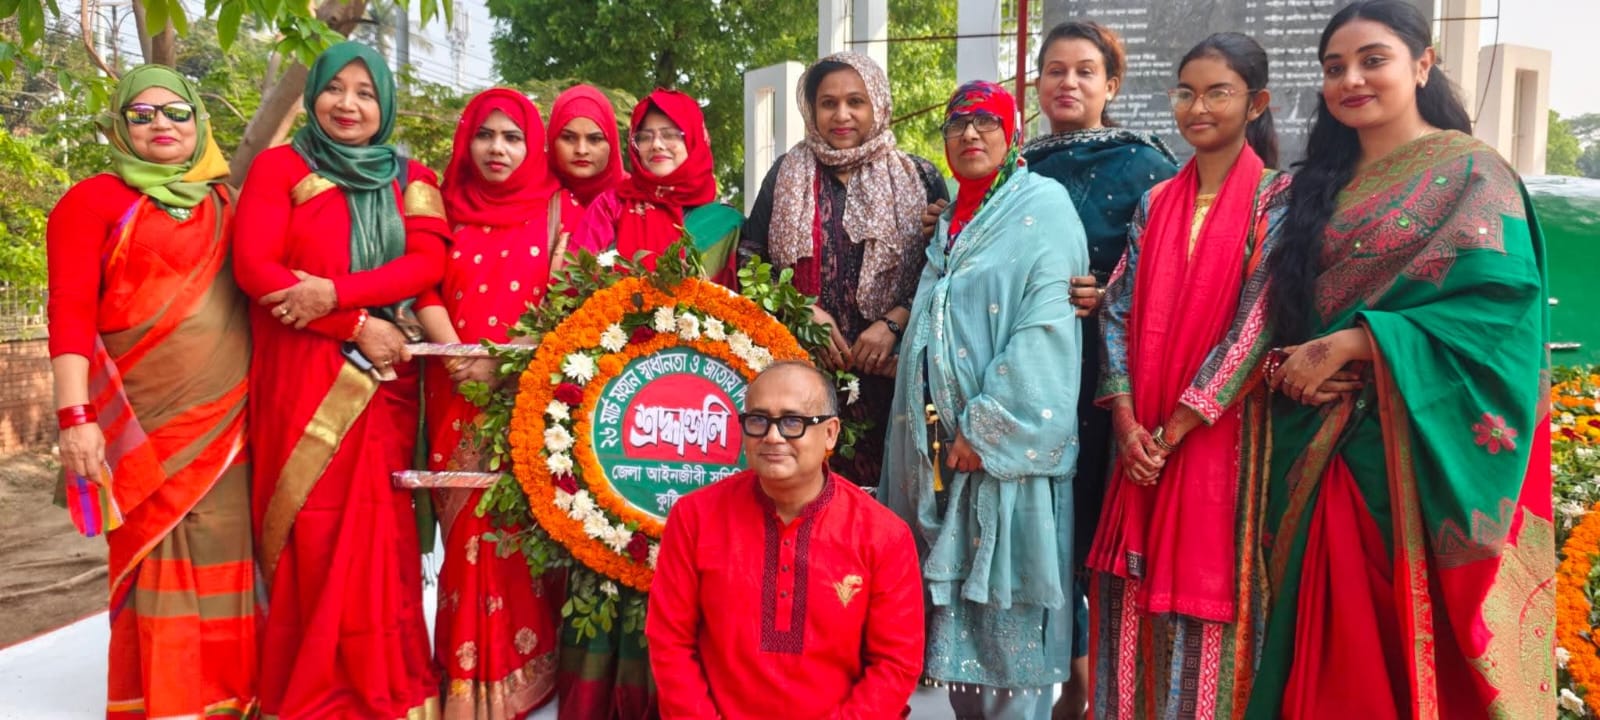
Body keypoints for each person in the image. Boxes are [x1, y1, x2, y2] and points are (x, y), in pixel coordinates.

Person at [1244, 2, 1553, 717]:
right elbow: (1273, 317)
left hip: (1404, 455)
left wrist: (1359, 341)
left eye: (1372, 60)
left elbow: (1501, 309)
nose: (1351, 80)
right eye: (1334, 68)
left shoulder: (1473, 172)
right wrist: (1288, 368)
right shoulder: (1313, 186)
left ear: (1422, 64)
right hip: (1310, 446)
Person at [232, 41, 447, 718]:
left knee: (379, 538)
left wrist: (335, 293)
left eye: (366, 93)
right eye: (335, 89)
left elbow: (426, 265)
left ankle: (382, 683)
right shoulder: (279, 168)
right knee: (312, 528)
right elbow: (255, 269)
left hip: (383, 381)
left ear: (385, 105)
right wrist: (354, 324)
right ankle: (306, 688)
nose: (347, 104)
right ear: (314, 94)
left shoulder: (413, 177)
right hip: (300, 374)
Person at [1083, 33, 1289, 720]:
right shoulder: (1156, 202)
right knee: (1128, 594)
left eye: (1217, 92)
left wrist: (1172, 430)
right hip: (1139, 436)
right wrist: (1127, 424)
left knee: (1208, 592)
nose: (1197, 107)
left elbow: (1258, 322)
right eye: (1186, 93)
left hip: (1219, 438)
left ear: (1255, 103)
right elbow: (1117, 308)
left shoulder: (1276, 199)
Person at [46, 64, 258, 719]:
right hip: (138, 427)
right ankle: (162, 703)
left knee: (225, 554)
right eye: (142, 115)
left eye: (176, 112)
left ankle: (229, 700)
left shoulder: (229, 204)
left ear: (200, 121)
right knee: (151, 557)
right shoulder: (91, 203)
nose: (161, 124)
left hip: (227, 424)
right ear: (120, 127)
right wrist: (75, 418)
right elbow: (69, 314)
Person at [879, 81, 1087, 720]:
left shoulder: (1042, 205)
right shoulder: (949, 223)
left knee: (1005, 632)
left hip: (999, 449)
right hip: (936, 449)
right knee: (958, 641)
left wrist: (988, 426)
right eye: (957, 123)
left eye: (986, 122)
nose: (970, 134)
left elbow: (1045, 325)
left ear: (1012, 134)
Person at [1017, 24, 1179, 718]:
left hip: (1106, 376)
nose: (1068, 83)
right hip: (1029, 369)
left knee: (1095, 526)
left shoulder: (1146, 166)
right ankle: (1069, 676)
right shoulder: (1016, 165)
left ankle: (1101, 685)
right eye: (1055, 70)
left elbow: (1175, 264)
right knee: (1042, 525)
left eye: (1086, 71)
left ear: (1111, 85)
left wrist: (1112, 287)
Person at [646, 361, 925, 719]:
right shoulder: (694, 518)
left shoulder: (883, 535)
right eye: (758, 420)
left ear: (830, 433)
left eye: (793, 422)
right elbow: (670, 641)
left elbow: (895, 664)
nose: (772, 437)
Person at [416, 87, 574, 719]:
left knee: (522, 527)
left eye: (513, 137)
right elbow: (422, 284)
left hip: (526, 392)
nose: (498, 149)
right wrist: (458, 357)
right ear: (467, 140)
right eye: (486, 135)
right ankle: (465, 681)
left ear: (532, 146)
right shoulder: (441, 205)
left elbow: (565, 297)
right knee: (468, 533)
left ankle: (527, 674)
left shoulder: (557, 208)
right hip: (452, 388)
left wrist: (510, 368)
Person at [739, 52, 948, 490]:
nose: (841, 115)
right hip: (804, 369)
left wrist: (893, 323)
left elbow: (942, 268)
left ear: (878, 105)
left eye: (856, 101)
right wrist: (802, 312)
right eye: (828, 103)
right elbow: (749, 258)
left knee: (888, 497)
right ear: (811, 110)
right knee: (806, 491)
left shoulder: (919, 176)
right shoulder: (786, 174)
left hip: (891, 375)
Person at [569, 89, 741, 280]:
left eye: (670, 135)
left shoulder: (726, 223)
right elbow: (574, 282)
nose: (657, 145)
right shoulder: (611, 206)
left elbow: (742, 295)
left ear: (694, 140)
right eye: (645, 137)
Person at [548, 84, 626, 218]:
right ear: (552, 139)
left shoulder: (635, 203)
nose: (581, 150)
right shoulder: (529, 199)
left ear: (612, 143)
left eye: (595, 139)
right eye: (569, 138)